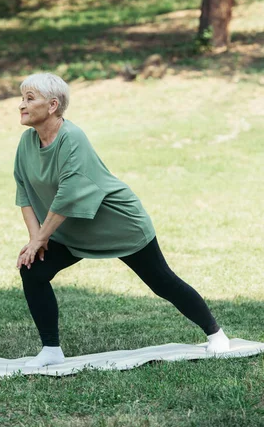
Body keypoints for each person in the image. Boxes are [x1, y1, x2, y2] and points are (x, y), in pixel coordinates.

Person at [14, 73, 230, 368]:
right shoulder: (27, 143)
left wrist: (41, 238)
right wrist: (35, 238)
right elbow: (23, 189)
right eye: (22, 98)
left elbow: (69, 195)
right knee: (33, 270)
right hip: (69, 230)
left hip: (119, 224)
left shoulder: (72, 138)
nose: (21, 105)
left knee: (162, 282)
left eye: (29, 99)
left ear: (52, 105)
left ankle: (216, 333)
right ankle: (51, 348)